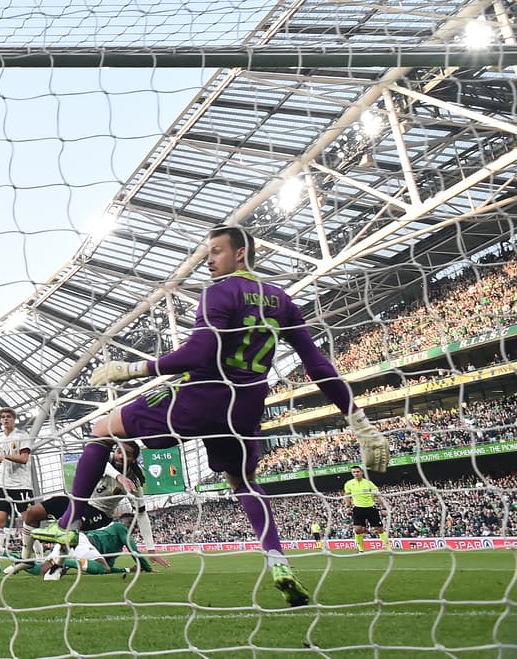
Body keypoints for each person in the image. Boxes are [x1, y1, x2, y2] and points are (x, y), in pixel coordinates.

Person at [37, 225, 390, 607]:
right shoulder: (282, 301)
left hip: (201, 396)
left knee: (101, 429)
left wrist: (133, 369)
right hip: (246, 407)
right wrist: (360, 422)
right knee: (244, 482)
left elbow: (197, 354)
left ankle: (69, 526)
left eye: (217, 251)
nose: (209, 260)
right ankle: (278, 562)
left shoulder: (220, 292)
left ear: (241, 254)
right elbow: (318, 364)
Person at [8, 441, 160, 573]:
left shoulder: (135, 482)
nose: (121, 456)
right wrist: (118, 476)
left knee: (70, 524)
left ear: (133, 459)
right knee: (31, 514)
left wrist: (151, 549)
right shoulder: (105, 460)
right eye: (119, 451)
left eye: (128, 454)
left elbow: (141, 514)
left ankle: (59, 564)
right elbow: (101, 464)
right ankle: (25, 559)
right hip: (79, 501)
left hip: (99, 513)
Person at [24, 513, 162, 579]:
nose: (134, 530)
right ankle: (64, 561)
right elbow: (134, 550)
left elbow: (108, 570)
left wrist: (127, 570)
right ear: (130, 524)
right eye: (134, 527)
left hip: (75, 540)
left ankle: (20, 562)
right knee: (102, 567)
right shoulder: (120, 527)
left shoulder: (115, 545)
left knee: (44, 570)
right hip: (82, 542)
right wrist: (147, 568)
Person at [0, 407, 32, 573]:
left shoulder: (22, 436)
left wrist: (4, 457)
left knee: (30, 520)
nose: (5, 419)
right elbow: (4, 458)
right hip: (4, 485)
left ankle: (36, 556)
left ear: (14, 419)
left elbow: (24, 459)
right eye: (3, 417)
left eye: (8, 417)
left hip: (22, 485)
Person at [344, 465, 390, 552]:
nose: (356, 473)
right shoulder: (349, 484)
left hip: (370, 508)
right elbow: (347, 496)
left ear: (362, 472)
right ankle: (361, 549)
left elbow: (378, 496)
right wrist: (347, 507)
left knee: (379, 529)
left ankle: (388, 548)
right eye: (354, 472)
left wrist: (383, 508)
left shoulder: (369, 483)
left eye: (357, 471)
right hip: (357, 508)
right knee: (357, 529)